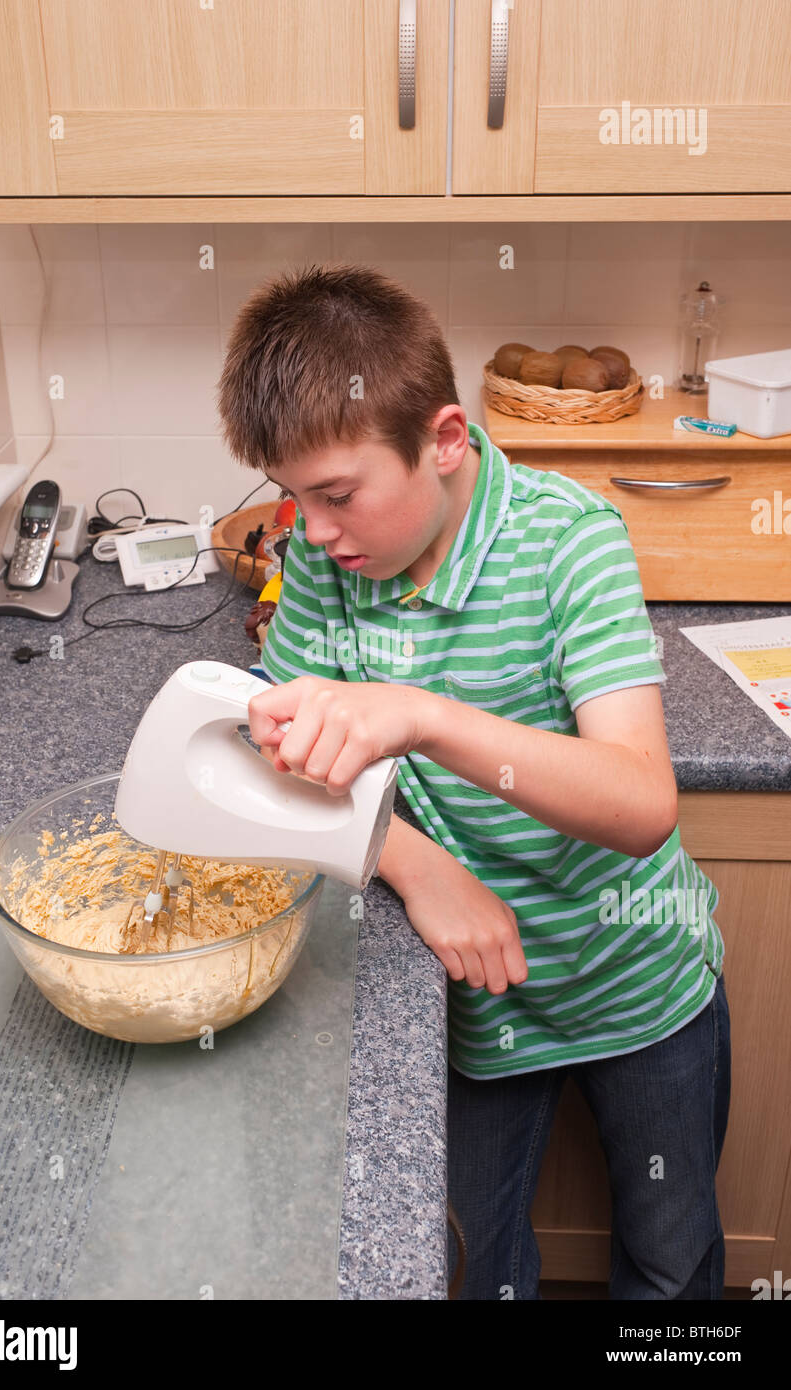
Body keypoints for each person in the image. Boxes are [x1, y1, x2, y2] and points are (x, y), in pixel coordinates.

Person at [217, 262, 731, 1300]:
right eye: (293, 496)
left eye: (336, 495)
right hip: (474, 1000)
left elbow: (640, 805)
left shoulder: (569, 541)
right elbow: (283, 758)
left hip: (637, 978)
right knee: (473, 1268)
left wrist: (419, 714)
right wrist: (415, 865)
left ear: (444, 440)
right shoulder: (330, 558)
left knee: (670, 1268)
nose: (311, 531)